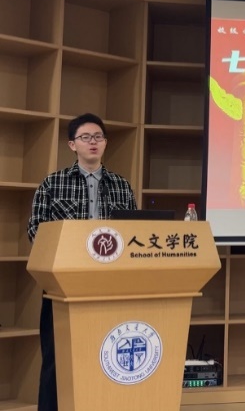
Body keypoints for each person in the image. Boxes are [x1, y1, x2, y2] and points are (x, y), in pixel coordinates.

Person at [27, 112, 137, 411]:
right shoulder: (52, 183)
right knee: (56, 360)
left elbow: (134, 233)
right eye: (86, 137)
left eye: (98, 137)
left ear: (105, 143)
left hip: (110, 286)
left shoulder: (121, 185)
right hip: (62, 286)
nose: (93, 142)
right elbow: (36, 231)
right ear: (72, 144)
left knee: (106, 357)